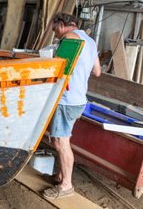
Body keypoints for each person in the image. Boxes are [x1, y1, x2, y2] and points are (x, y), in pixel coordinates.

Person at [42, 12, 101, 199]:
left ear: (61, 24)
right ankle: (60, 176)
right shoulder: (90, 42)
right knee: (64, 140)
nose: (57, 35)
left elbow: (58, 67)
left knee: (60, 143)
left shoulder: (69, 37)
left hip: (65, 99)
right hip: (78, 99)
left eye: (56, 31)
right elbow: (97, 71)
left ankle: (66, 185)